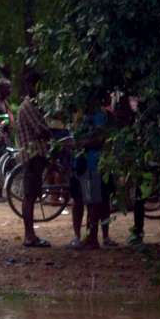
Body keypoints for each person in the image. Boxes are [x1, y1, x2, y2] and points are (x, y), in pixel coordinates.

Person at [16, 72, 54, 248]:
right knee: (30, 196)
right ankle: (29, 236)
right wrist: (53, 132)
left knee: (30, 195)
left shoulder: (32, 105)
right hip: (32, 155)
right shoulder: (28, 107)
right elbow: (40, 130)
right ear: (30, 85)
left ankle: (30, 235)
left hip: (33, 155)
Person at [68, 96, 110, 250]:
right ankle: (79, 237)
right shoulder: (79, 114)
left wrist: (80, 143)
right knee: (78, 200)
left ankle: (92, 237)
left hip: (91, 163)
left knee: (92, 201)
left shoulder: (99, 114)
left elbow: (100, 139)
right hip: (79, 163)